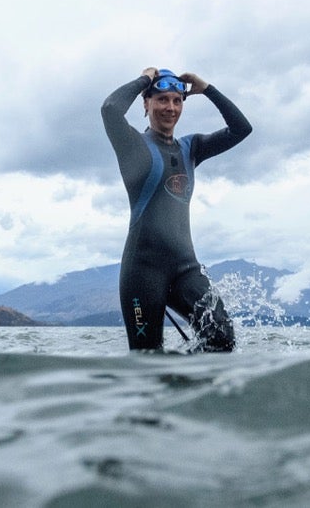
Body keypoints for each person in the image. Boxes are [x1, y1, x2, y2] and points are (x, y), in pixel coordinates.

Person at [101, 67, 252, 351]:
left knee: (223, 339)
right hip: (142, 273)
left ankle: (188, 378)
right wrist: (144, 80)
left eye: (177, 100)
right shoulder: (133, 145)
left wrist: (207, 89)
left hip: (186, 269)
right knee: (149, 358)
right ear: (146, 103)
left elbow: (241, 129)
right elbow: (110, 109)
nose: (170, 107)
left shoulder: (191, 148)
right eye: (161, 99)